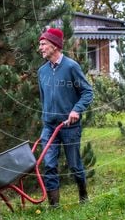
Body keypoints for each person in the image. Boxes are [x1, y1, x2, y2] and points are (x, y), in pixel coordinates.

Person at [37, 27, 93, 207]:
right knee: (49, 165)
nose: (40, 48)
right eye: (40, 44)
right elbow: (43, 97)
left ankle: (83, 196)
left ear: (55, 46)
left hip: (69, 126)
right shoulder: (42, 72)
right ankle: (54, 206)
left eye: (43, 44)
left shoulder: (71, 67)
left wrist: (76, 110)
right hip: (49, 126)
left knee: (75, 166)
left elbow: (87, 92)